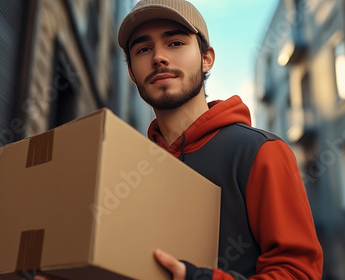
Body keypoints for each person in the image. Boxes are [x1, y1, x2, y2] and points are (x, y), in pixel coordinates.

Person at [117, 0, 323, 279]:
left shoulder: (261, 152)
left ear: (206, 59)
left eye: (175, 43)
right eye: (143, 49)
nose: (158, 58)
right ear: (131, 73)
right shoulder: (127, 169)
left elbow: (298, 273)